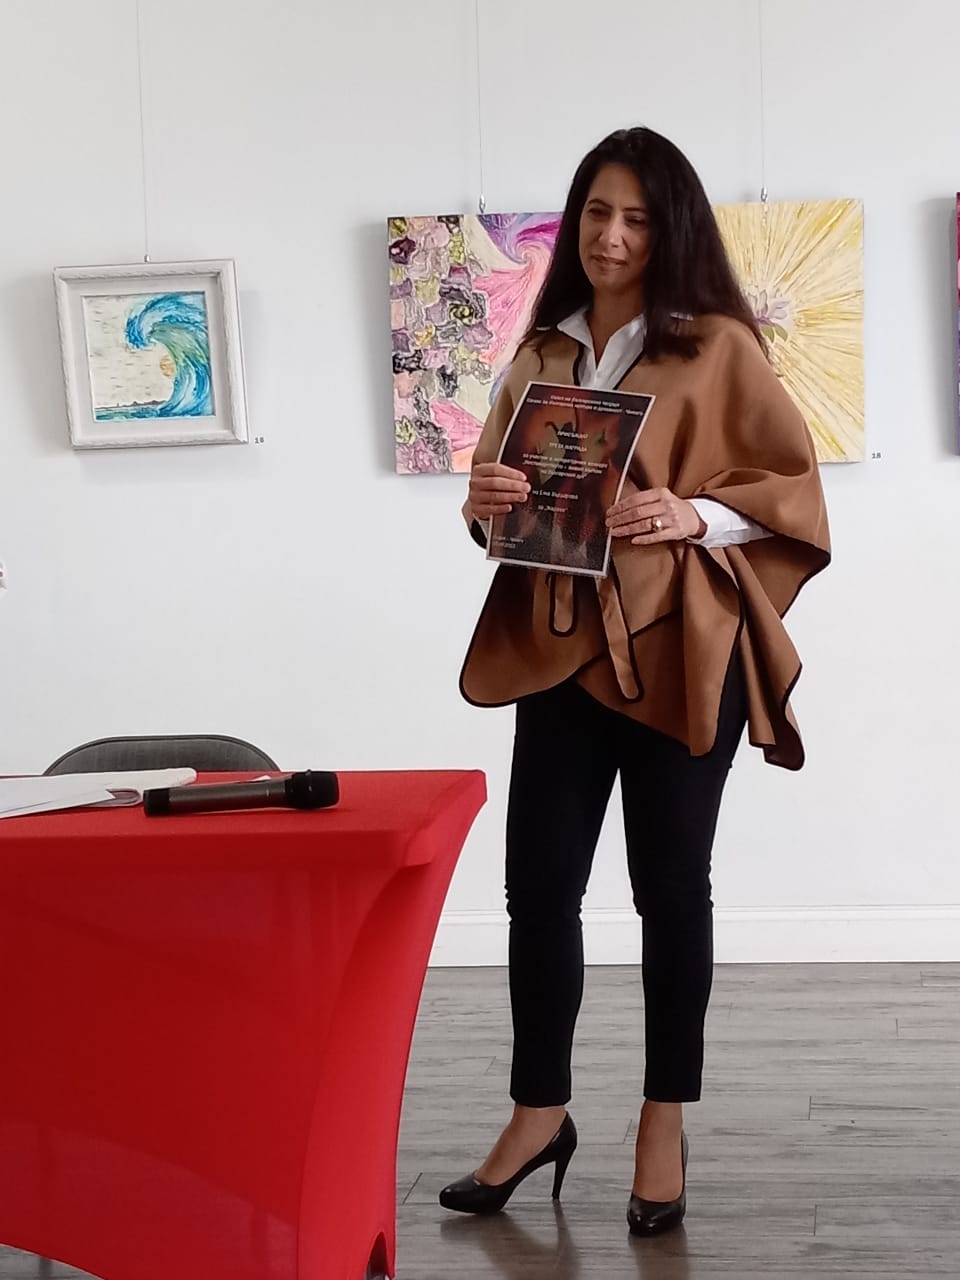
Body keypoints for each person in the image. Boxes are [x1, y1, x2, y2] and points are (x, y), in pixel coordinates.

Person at [438, 126, 830, 1236]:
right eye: (598, 213)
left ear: (672, 230)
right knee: (537, 890)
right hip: (559, 649)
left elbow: (792, 490)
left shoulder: (717, 346)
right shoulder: (538, 352)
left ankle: (664, 1121)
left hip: (679, 651)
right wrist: (483, 506)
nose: (612, 237)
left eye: (638, 218)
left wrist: (692, 512)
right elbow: (510, 516)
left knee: (671, 890)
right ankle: (538, 1112)